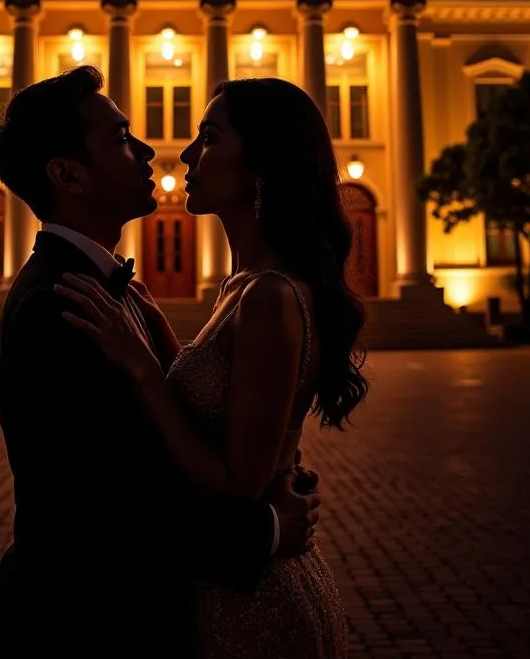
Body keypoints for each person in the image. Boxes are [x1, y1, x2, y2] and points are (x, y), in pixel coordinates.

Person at [0, 66, 322, 659]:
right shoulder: (58, 305)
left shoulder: (116, 295)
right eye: (119, 138)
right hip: (86, 627)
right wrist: (265, 530)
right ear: (67, 175)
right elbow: (106, 510)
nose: (153, 151)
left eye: (209, 137)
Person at [59, 77, 368, 658]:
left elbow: (239, 484)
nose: (188, 154)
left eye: (210, 137)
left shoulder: (270, 296)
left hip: (255, 604)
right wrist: (157, 335)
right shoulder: (243, 287)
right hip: (229, 587)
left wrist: (143, 368)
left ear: (260, 166)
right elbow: (220, 403)